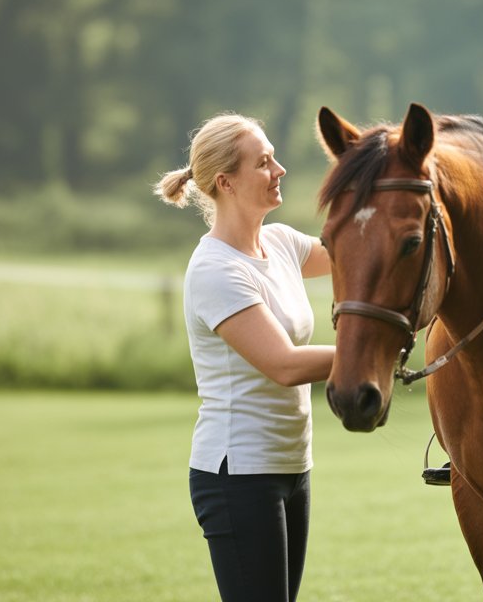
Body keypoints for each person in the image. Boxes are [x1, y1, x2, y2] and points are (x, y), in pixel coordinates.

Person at [154, 113, 334, 602]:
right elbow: (284, 365)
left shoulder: (281, 243)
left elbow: (359, 256)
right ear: (226, 182)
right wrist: (369, 354)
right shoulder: (214, 269)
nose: (279, 170)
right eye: (265, 162)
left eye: (274, 157)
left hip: (293, 464)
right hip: (238, 477)